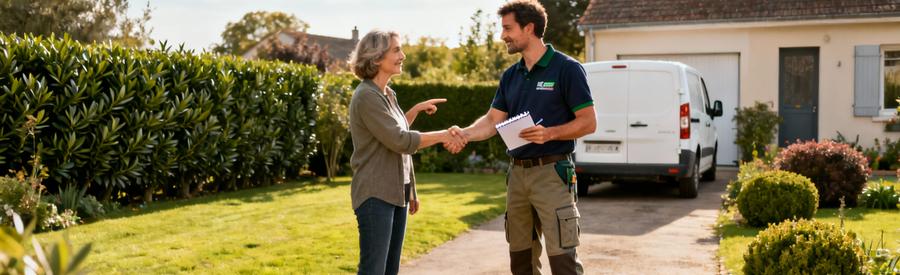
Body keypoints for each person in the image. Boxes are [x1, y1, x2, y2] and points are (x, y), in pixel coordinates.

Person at [447, 1, 596, 274]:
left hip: (553, 174)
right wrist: (464, 134)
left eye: (508, 28)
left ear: (529, 28)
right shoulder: (510, 75)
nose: (503, 35)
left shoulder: (567, 69)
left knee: (563, 261)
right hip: (517, 176)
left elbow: (588, 122)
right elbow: (493, 121)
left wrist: (550, 132)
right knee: (520, 261)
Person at [347, 30, 466, 275]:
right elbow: (400, 140)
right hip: (374, 194)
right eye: (396, 50)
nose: (403, 55)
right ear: (377, 57)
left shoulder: (388, 94)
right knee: (374, 270)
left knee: (390, 270)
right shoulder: (366, 96)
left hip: (395, 192)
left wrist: (410, 188)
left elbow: (393, 134)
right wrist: (444, 135)